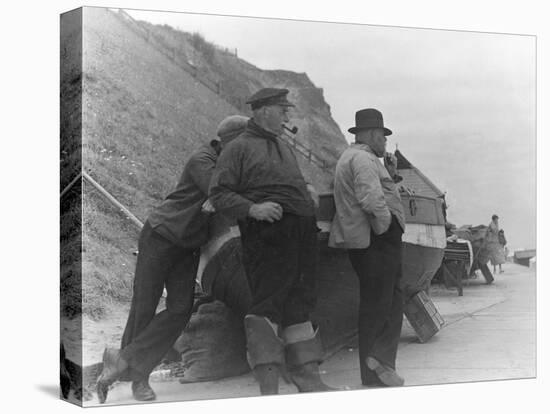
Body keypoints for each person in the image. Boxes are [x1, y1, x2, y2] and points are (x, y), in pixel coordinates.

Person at [96, 115, 249, 404]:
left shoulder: (224, 163)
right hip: (161, 236)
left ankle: (122, 359)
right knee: (145, 306)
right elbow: (221, 193)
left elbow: (224, 195)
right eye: (244, 144)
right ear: (231, 141)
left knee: (180, 310)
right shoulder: (201, 159)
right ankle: (138, 379)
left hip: (188, 245)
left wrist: (221, 197)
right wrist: (220, 197)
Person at [209, 88, 332, 395]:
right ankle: (269, 389)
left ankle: (308, 377)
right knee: (268, 305)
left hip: (301, 232)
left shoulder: (283, 145)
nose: (287, 115)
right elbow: (219, 193)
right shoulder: (237, 148)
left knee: (300, 301)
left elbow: (290, 180)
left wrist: (306, 190)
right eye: (282, 109)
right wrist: (253, 209)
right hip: (268, 236)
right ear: (263, 111)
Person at [328, 108, 406, 387]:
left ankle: (375, 369)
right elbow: (372, 200)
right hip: (376, 241)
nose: (385, 142)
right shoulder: (362, 158)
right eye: (383, 137)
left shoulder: (357, 157)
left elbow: (376, 191)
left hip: (369, 240)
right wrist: (385, 228)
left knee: (381, 302)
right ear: (372, 135)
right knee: (384, 302)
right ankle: (378, 362)